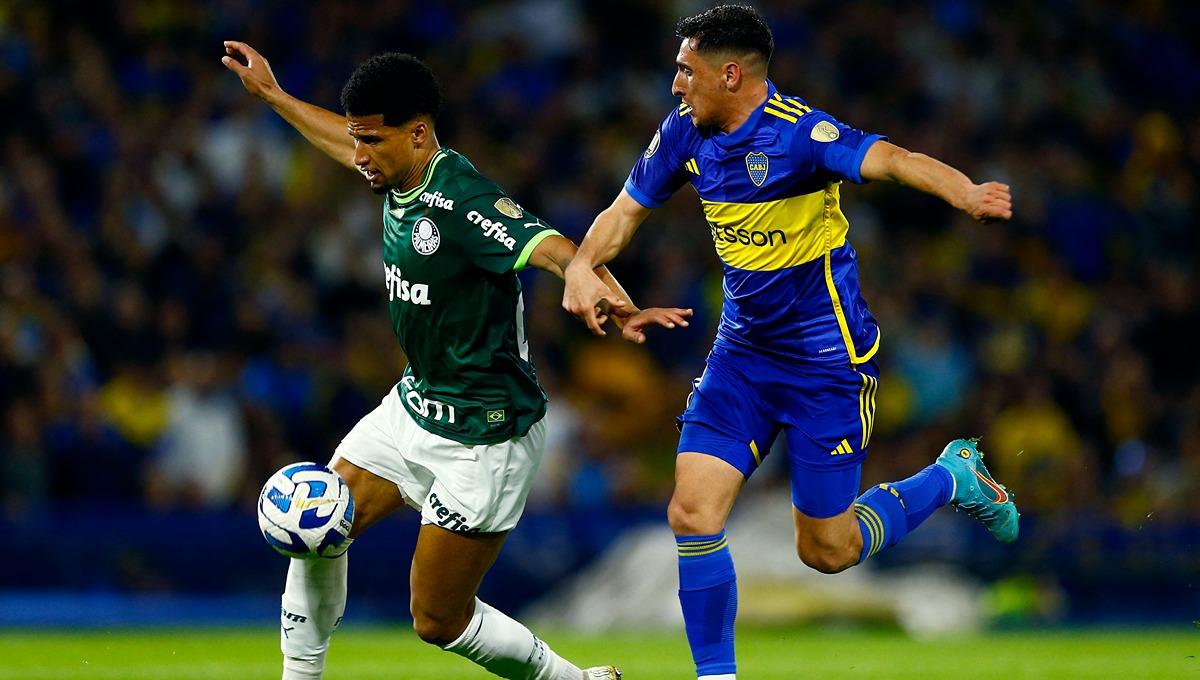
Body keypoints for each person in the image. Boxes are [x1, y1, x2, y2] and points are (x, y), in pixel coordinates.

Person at [561, 6, 1019, 680]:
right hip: (741, 358)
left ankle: (950, 476)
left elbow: (889, 158)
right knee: (692, 511)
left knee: (827, 552)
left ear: (731, 73)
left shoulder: (800, 134)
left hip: (826, 366)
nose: (675, 86)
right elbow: (625, 211)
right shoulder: (684, 133)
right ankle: (716, 677)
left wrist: (965, 190)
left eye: (686, 72)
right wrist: (580, 264)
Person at [223, 41, 690, 680]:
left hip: (485, 436)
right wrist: (274, 97)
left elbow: (545, 244)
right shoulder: (389, 166)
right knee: (319, 520)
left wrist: (585, 275)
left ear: (418, 135)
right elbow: (343, 142)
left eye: (373, 142)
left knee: (437, 619)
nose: (360, 156)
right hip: (415, 405)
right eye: (358, 140)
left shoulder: (461, 200)